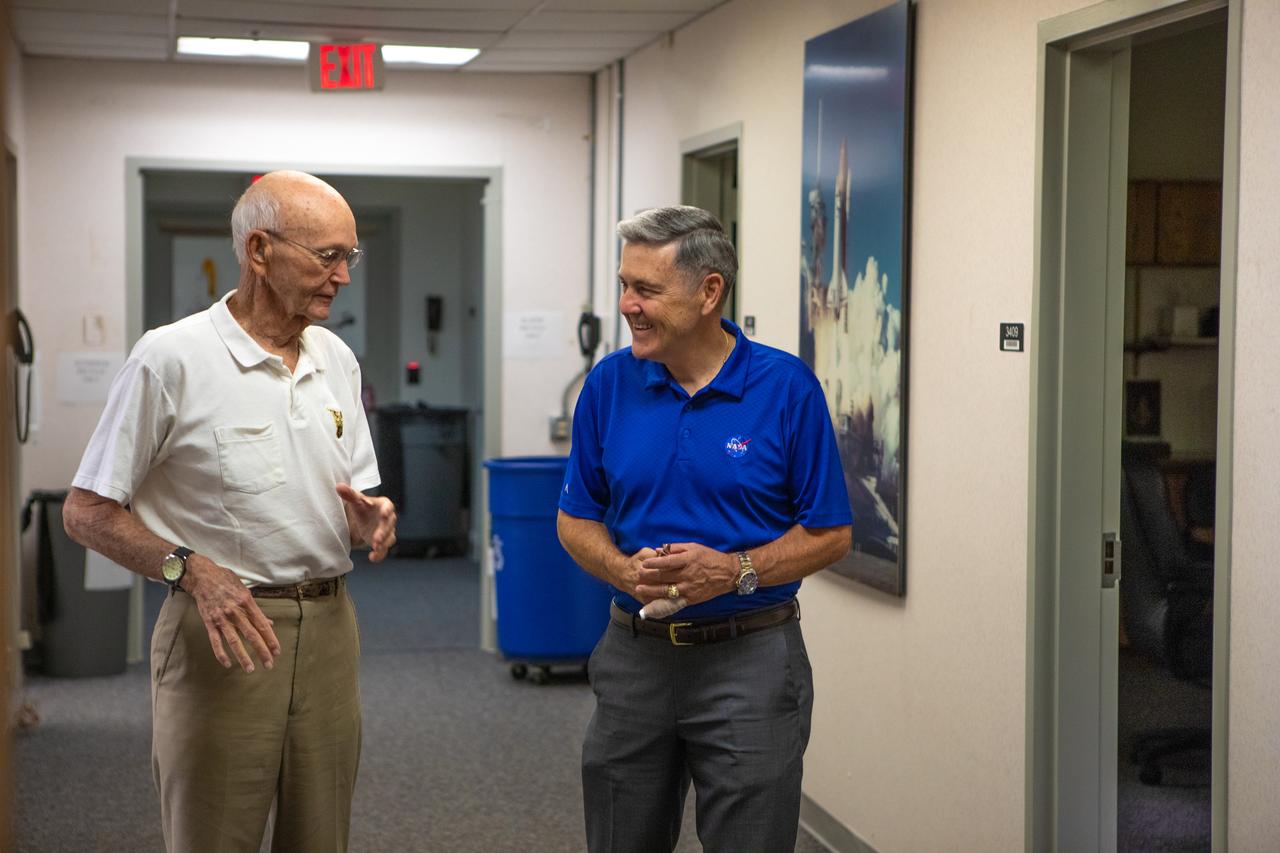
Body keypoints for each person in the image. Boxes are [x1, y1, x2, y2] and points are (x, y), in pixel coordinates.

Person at [62, 170, 397, 853]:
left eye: (349, 257)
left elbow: (355, 494)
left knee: (321, 837)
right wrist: (189, 569)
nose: (343, 276)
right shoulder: (170, 357)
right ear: (260, 251)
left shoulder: (336, 357)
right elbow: (85, 511)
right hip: (221, 629)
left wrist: (369, 519)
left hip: (330, 629)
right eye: (327, 256)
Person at [557, 205, 853, 853]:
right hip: (635, 656)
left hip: (750, 661)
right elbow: (575, 518)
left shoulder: (786, 389)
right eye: (624, 285)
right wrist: (622, 568)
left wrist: (732, 570)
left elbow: (830, 534)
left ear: (709, 291)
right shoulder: (609, 384)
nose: (627, 305)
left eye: (647, 289)